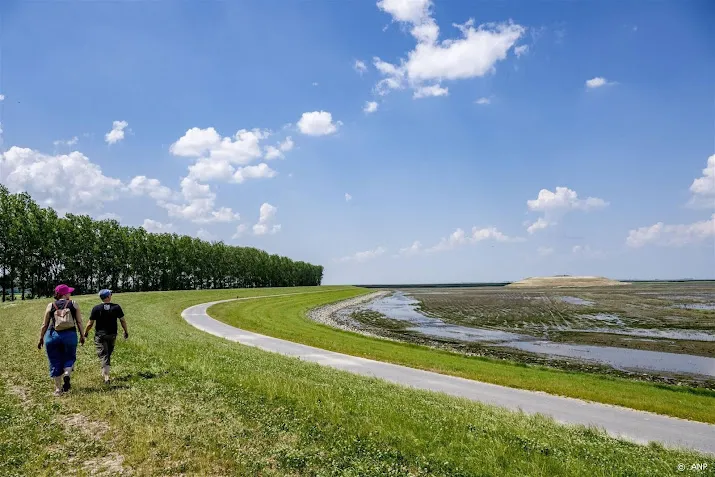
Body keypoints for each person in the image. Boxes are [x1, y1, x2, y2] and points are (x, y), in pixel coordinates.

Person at [38, 284, 85, 396]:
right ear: (64, 294)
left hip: (52, 335)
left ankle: (58, 390)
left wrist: (41, 338)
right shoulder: (73, 304)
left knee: (55, 361)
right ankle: (67, 374)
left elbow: (44, 324)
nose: (70, 293)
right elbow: (79, 322)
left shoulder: (50, 305)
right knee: (69, 357)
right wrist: (82, 335)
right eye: (69, 292)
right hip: (69, 335)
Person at [84, 289, 128, 384]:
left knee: (104, 355)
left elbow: (90, 323)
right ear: (108, 297)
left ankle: (106, 377)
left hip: (100, 335)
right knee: (107, 354)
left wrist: (85, 332)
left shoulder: (96, 308)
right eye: (110, 294)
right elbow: (122, 320)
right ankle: (105, 372)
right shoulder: (116, 307)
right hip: (112, 335)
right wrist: (125, 331)